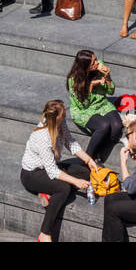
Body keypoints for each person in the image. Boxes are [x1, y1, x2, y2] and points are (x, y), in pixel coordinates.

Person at [20, 99, 96, 243]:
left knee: (85, 172)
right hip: (32, 174)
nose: (65, 118)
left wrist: (89, 160)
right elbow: (53, 172)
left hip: (51, 166)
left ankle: (47, 193)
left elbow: (70, 142)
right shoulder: (42, 137)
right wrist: (76, 182)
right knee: (64, 188)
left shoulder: (60, 124)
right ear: (55, 119)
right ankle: (44, 233)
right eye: (63, 117)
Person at [66, 49, 122, 162]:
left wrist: (108, 77)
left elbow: (111, 91)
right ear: (85, 67)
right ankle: (88, 159)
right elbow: (83, 105)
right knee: (104, 126)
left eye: (95, 59)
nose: (97, 63)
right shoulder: (74, 80)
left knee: (117, 126)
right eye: (93, 63)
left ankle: (101, 151)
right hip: (84, 111)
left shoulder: (100, 68)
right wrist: (91, 85)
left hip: (102, 104)